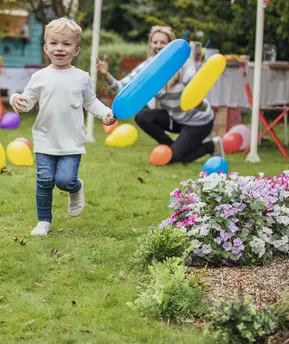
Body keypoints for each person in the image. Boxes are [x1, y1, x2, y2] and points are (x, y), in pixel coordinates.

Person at [11, 18, 116, 236]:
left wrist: (105, 113)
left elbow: (91, 102)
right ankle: (44, 221)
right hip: (45, 137)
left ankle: (75, 187)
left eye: (66, 44)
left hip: (71, 140)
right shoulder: (39, 76)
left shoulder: (82, 78)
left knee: (64, 180)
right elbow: (26, 102)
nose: (60, 48)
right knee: (45, 180)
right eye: (54, 43)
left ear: (76, 50)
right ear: (46, 47)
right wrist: (16, 100)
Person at [97, 25, 223, 164]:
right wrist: (106, 75)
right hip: (175, 118)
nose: (158, 45)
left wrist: (200, 105)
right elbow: (124, 88)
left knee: (173, 160)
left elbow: (196, 91)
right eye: (155, 42)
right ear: (151, 44)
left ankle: (211, 146)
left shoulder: (184, 65)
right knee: (142, 117)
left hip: (198, 121)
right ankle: (172, 147)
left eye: (163, 42)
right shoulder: (147, 67)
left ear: (170, 45)